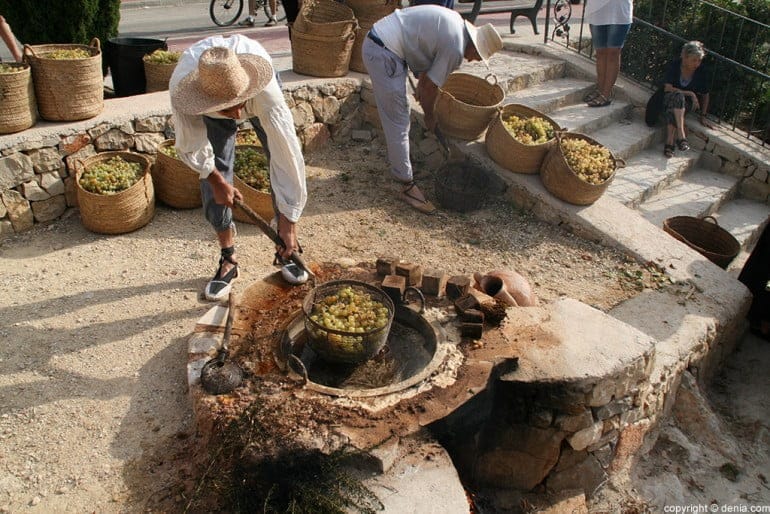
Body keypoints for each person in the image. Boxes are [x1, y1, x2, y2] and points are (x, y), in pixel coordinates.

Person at [170, 34, 307, 301]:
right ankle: (228, 259)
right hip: (209, 102)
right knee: (216, 169)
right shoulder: (185, 94)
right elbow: (193, 147)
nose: (236, 117)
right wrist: (217, 180)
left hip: (255, 88)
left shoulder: (264, 88)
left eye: (240, 107)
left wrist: (289, 224)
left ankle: (287, 245)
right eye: (227, 111)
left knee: (277, 151)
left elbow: (287, 156)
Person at [362, 5, 503, 214]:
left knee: (400, 113)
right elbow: (429, 87)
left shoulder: (456, 24)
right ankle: (407, 185)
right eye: (478, 56)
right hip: (383, 51)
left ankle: (402, 168)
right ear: (474, 45)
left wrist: (425, 89)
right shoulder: (455, 48)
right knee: (398, 119)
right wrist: (430, 116)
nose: (473, 60)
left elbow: (427, 73)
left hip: (380, 41)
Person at [661, 40, 714, 158]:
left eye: (699, 60)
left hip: (686, 105)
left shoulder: (700, 71)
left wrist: (703, 116)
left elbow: (705, 94)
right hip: (669, 97)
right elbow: (668, 88)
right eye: (694, 60)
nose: (697, 63)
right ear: (685, 57)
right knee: (677, 98)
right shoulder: (675, 65)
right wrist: (690, 93)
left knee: (677, 105)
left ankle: (670, 142)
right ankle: (680, 134)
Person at [582, 0, 633, 107]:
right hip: (597, 9)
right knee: (600, 52)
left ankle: (606, 94)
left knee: (613, 53)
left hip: (619, 10)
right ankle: (600, 90)